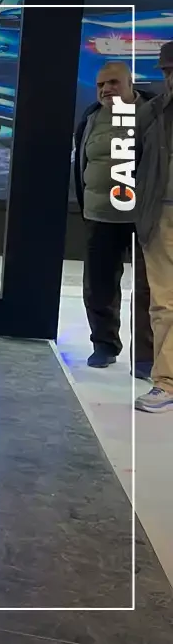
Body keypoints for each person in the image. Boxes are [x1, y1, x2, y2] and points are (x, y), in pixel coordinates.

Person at [73, 61, 155, 373]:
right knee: (98, 287)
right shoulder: (91, 116)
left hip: (142, 217)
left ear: (130, 84)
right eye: (100, 85)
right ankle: (104, 345)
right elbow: (82, 160)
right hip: (100, 216)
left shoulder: (153, 114)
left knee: (148, 290)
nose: (106, 89)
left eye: (113, 83)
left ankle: (145, 357)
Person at [134, 42, 173, 412]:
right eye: (167, 71)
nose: (171, 77)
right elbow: (134, 163)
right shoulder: (151, 112)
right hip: (160, 214)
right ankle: (166, 382)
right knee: (163, 302)